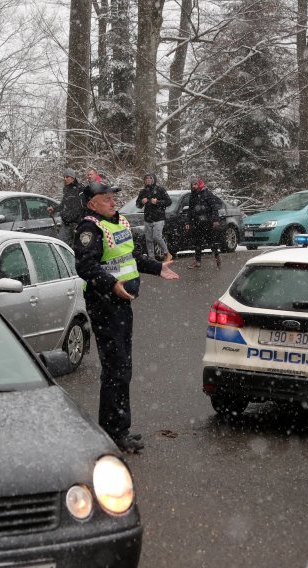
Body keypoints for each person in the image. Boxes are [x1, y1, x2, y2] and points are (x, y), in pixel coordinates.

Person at [73, 181, 179, 453]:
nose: (111, 201)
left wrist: (157, 267)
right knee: (115, 370)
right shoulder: (89, 228)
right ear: (91, 203)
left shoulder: (118, 223)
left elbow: (130, 257)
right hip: (104, 305)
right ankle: (112, 432)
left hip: (122, 305)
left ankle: (120, 428)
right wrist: (111, 285)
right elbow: (85, 266)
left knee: (123, 369)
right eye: (105, 198)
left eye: (112, 197)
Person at [184, 176, 222, 269]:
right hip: (196, 223)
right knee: (197, 242)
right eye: (192, 184)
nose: (194, 186)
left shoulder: (207, 194)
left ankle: (217, 257)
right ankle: (197, 262)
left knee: (211, 241)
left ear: (199, 184)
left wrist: (215, 220)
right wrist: (188, 222)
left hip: (207, 222)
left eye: (195, 184)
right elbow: (190, 210)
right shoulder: (192, 196)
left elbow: (214, 208)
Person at [136, 173, 173, 262]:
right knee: (148, 239)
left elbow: (169, 202)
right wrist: (142, 202)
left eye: (150, 178)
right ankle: (151, 258)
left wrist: (157, 202)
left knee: (157, 236)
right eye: (146, 179)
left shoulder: (160, 190)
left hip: (159, 218)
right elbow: (138, 205)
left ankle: (167, 253)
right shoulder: (143, 191)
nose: (148, 180)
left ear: (154, 179)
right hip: (148, 218)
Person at [47, 167, 84, 246]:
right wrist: (54, 208)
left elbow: (84, 205)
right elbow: (63, 204)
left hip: (76, 224)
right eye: (64, 177)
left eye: (67, 177)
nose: (65, 179)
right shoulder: (66, 189)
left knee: (78, 246)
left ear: (73, 178)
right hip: (66, 223)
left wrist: (80, 218)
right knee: (60, 244)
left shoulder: (80, 189)